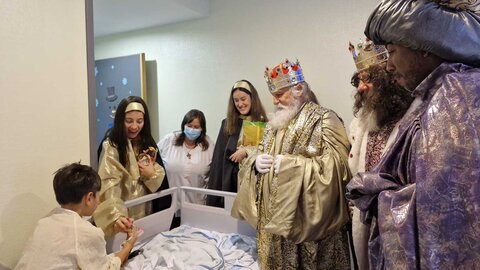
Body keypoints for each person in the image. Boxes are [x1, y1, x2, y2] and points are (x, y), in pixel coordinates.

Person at [346, 1, 480, 269]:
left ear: (425, 49)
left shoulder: (452, 98)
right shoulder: (448, 91)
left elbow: (445, 215)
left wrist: (376, 192)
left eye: (393, 52)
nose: (389, 66)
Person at [232, 59, 352, 269]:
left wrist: (293, 167)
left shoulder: (325, 118)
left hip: (308, 230)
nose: (275, 101)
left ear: (298, 89)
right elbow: (258, 152)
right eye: (273, 95)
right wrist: (254, 162)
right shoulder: (273, 125)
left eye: (279, 94)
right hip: (271, 229)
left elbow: (340, 167)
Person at [347, 38, 414, 270]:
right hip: (365, 221)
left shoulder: (414, 120)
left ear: (388, 79)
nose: (361, 88)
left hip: (401, 226)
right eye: (359, 80)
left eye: (368, 80)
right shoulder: (359, 124)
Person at [15, 163, 139, 270]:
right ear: (89, 198)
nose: (99, 201)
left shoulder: (45, 221)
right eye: (98, 196)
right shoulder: (87, 232)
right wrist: (128, 245)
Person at [93, 96, 170, 238]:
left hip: (146, 210)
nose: (134, 127)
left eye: (139, 121)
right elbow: (109, 183)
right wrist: (116, 216)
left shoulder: (147, 142)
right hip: (124, 214)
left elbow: (159, 174)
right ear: (120, 120)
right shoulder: (111, 145)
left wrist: (151, 174)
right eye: (129, 121)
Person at [206, 80, 268, 207]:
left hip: (252, 183)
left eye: (243, 99)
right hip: (230, 184)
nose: (240, 104)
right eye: (236, 100)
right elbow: (219, 161)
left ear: (252, 98)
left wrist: (246, 151)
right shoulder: (228, 123)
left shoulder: (262, 123)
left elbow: (266, 151)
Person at [157, 109, 214, 206]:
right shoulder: (169, 140)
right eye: (189, 126)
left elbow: (213, 175)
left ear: (202, 129)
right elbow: (154, 159)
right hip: (171, 203)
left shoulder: (209, 145)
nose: (192, 129)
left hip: (197, 204)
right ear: (183, 125)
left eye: (196, 127)